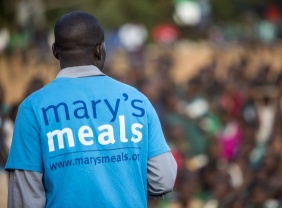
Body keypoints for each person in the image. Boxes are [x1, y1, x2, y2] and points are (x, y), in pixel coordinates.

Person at [5, 11, 177, 208]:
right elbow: (163, 179)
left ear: (54, 51)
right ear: (99, 49)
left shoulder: (32, 108)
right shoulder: (136, 101)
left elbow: (24, 201)